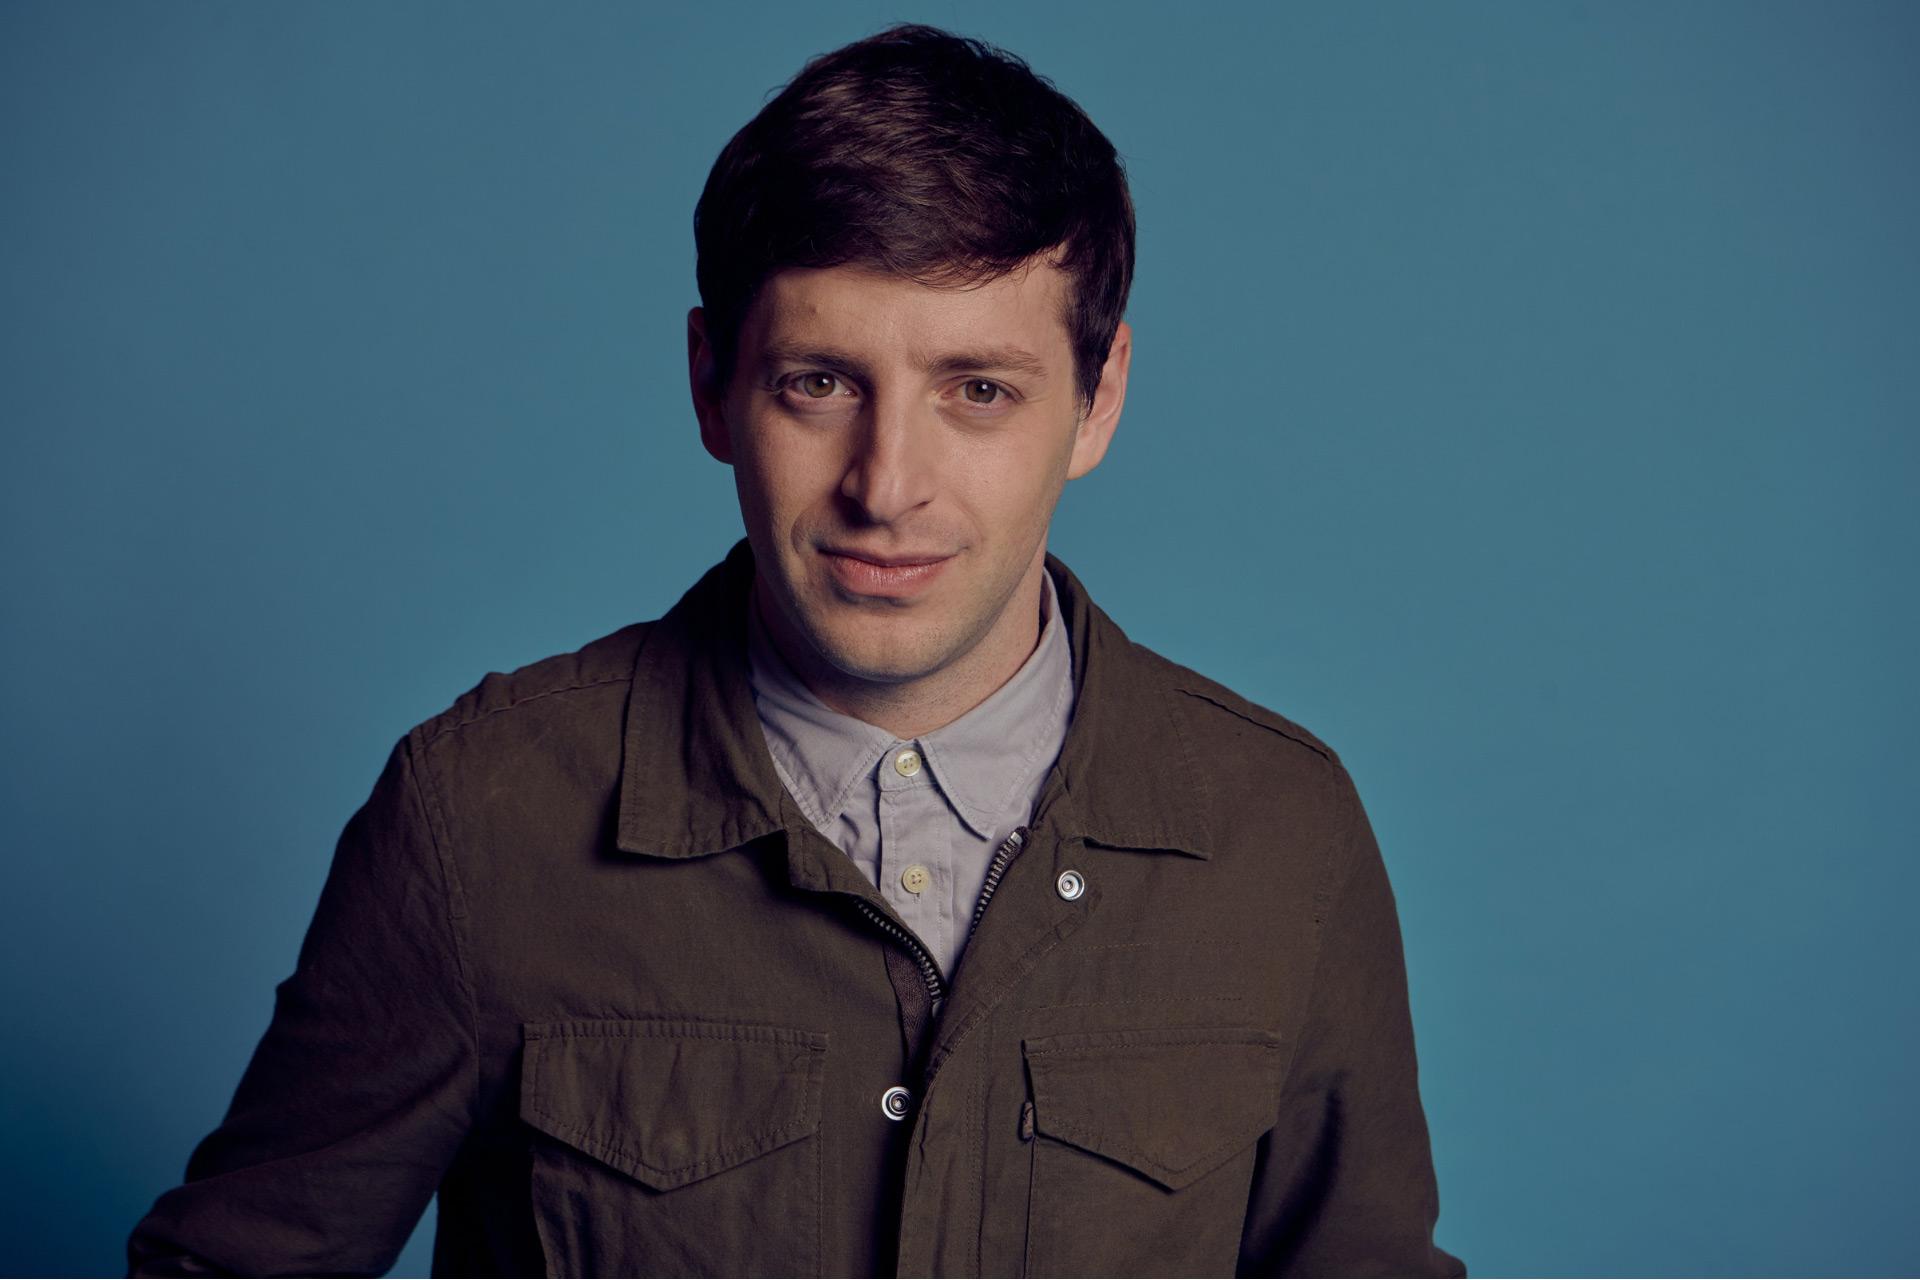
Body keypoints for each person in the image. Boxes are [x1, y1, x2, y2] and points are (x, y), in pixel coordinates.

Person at [128, 22, 1462, 1278]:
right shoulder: (479, 820)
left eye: (977, 391)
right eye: (819, 384)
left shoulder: (1286, 836)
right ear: (713, 385)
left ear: (1097, 399)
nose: (890, 485)